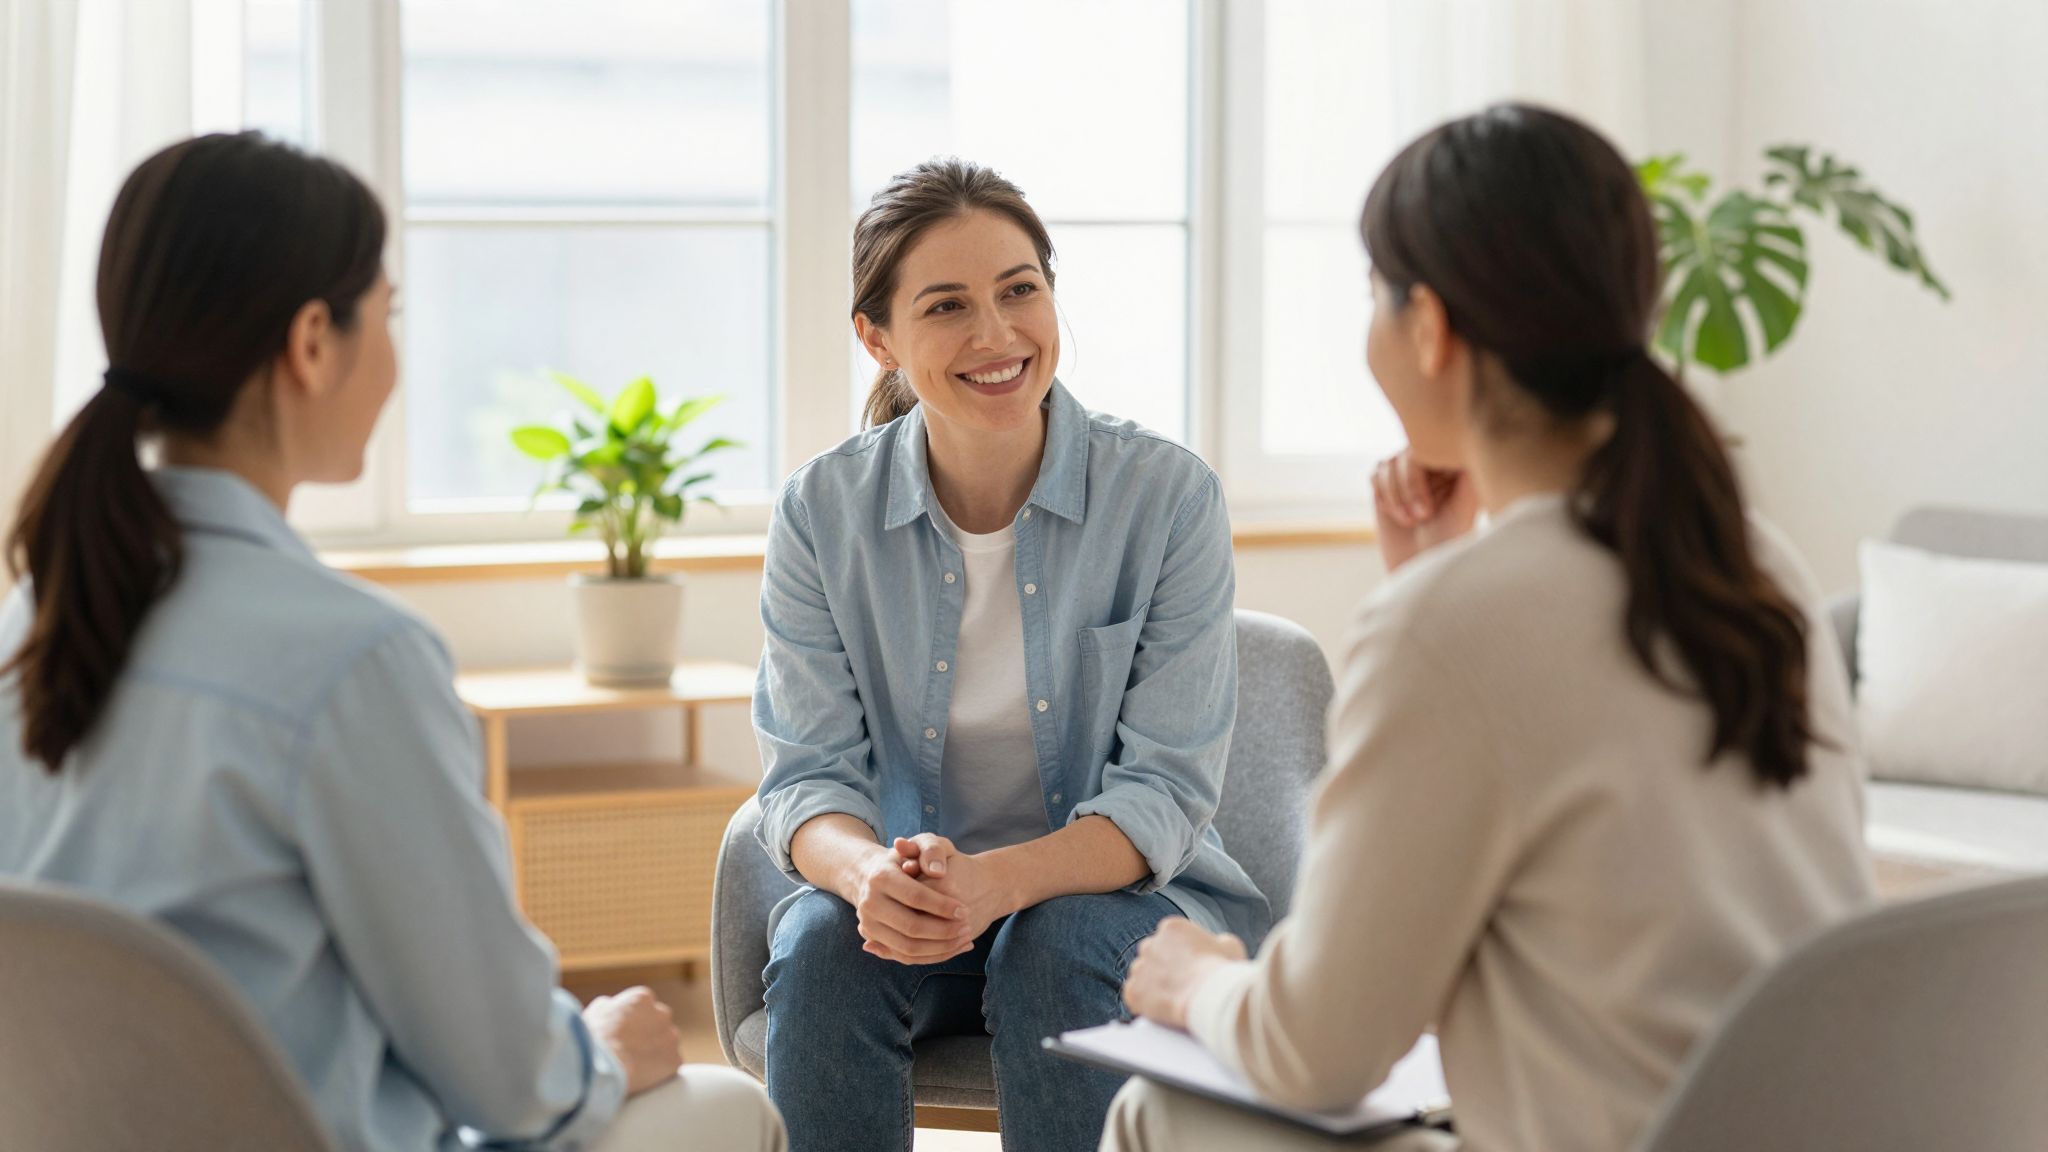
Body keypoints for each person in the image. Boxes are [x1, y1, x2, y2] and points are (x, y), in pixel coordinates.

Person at [1107, 104, 1875, 1152]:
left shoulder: (1454, 626)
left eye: (1375, 295)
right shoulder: (1752, 562)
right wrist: (1438, 580)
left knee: (1159, 1107)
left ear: (1428, 327)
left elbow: (1316, 1047)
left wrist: (1202, 981)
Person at [0, 132, 784, 1152]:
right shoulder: (351, 660)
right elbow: (508, 1082)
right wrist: (596, 1047)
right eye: (388, 314)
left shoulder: (33, 623)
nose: (395, 354)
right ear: (313, 341)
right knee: (730, 1107)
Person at [749, 157, 1269, 1152]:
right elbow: (803, 778)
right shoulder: (821, 514)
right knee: (824, 942)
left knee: (1054, 936)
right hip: (918, 912)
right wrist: (866, 877)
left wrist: (999, 883)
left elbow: (1163, 792)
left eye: (1018, 290)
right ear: (877, 338)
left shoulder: (1164, 499)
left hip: (1120, 913)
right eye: (945, 306)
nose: (995, 336)